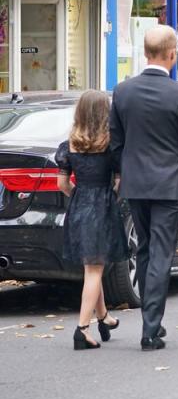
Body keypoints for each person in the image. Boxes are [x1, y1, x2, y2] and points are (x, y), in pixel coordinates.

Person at [110, 25, 178, 351]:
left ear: (145, 52)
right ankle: (150, 328)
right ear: (172, 54)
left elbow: (116, 142)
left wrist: (123, 173)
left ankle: (153, 322)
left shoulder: (122, 92)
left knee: (146, 249)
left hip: (136, 183)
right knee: (162, 252)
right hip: (170, 183)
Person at [57, 90, 127, 350]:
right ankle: (82, 328)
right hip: (102, 206)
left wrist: (79, 195)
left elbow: (62, 183)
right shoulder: (110, 145)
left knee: (91, 265)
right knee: (95, 270)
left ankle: (104, 316)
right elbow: (120, 183)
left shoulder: (70, 145)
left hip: (79, 206)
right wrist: (109, 198)